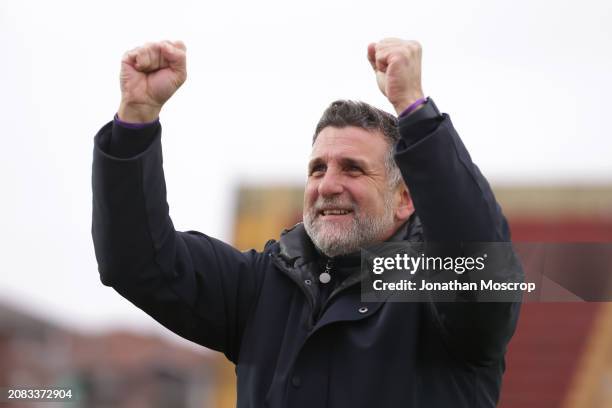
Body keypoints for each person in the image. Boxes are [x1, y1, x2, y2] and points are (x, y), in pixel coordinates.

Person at [92, 38, 520, 407]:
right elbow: (137, 262)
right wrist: (135, 120)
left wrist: (416, 112)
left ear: (405, 198)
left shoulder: (435, 291)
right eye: (317, 169)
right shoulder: (261, 286)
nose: (328, 185)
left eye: (352, 169)